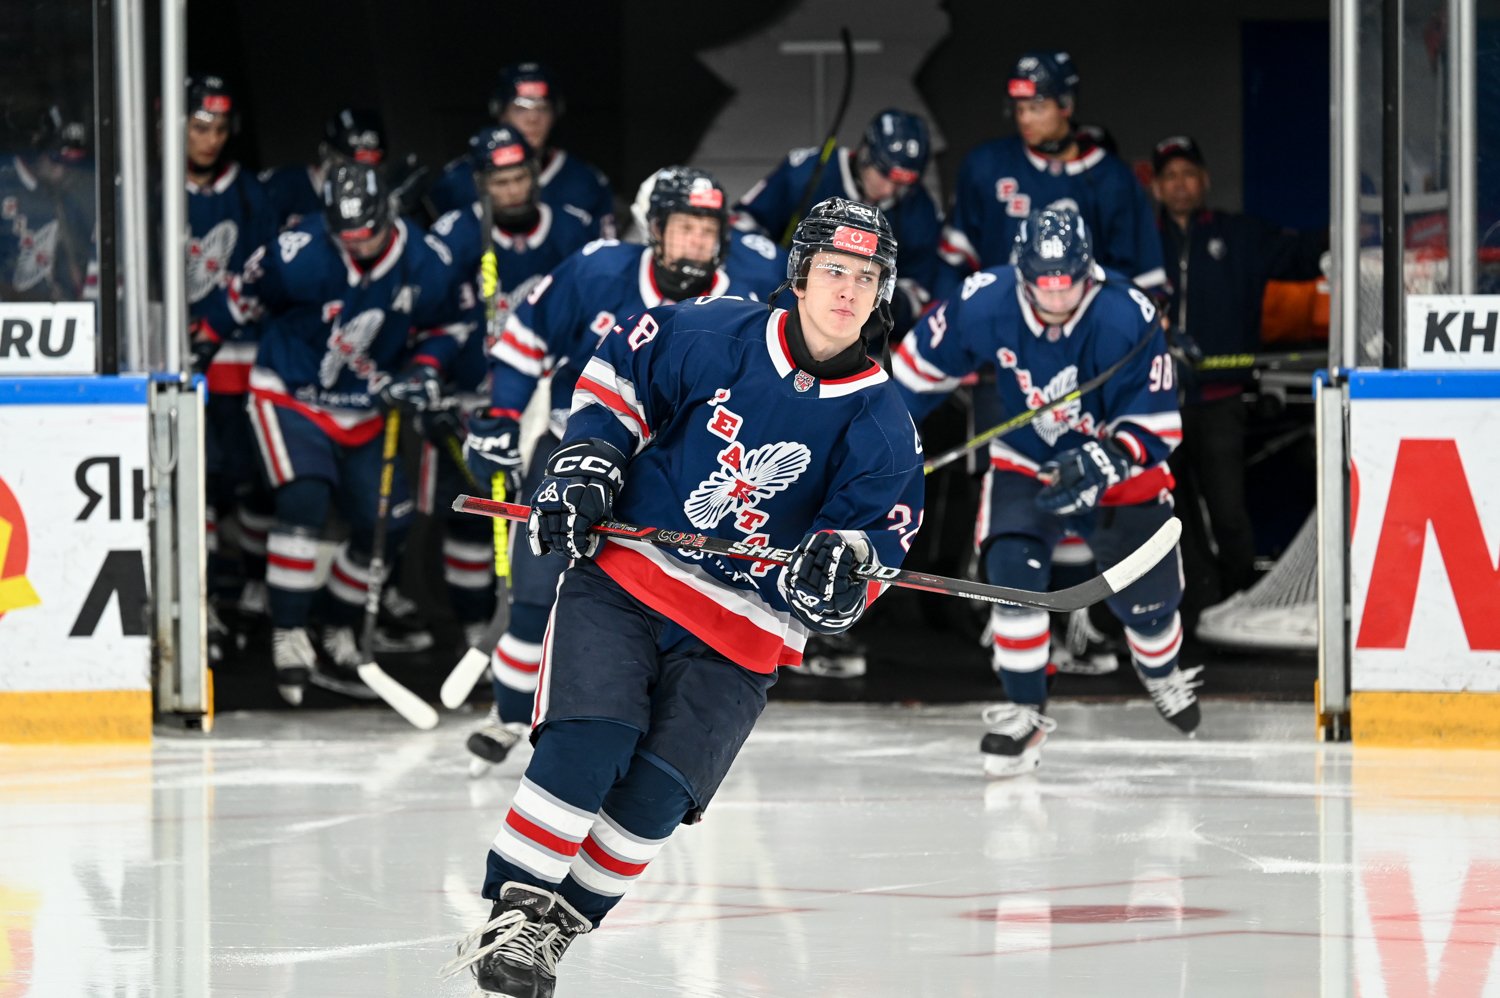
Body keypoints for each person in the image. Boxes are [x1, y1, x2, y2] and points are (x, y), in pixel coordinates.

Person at [443, 196, 924, 998]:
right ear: (800, 274)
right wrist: (589, 459)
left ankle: (557, 929)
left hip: (742, 630)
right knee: (590, 739)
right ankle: (515, 912)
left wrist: (841, 569)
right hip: (629, 579)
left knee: (657, 796)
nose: (848, 289)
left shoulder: (885, 425)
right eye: (833, 269)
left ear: (882, 293)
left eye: (866, 277)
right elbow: (615, 381)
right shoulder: (711, 330)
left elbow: (876, 540)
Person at [460, 165, 781, 774]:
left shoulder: (753, 288)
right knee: (536, 591)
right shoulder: (597, 270)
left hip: (680, 469)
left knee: (671, 602)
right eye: (684, 228)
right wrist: (500, 415)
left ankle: (662, 730)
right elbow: (525, 341)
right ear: (654, 229)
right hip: (579, 449)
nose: (696, 243)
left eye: (707, 230)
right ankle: (509, 715)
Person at [892, 207, 1199, 778]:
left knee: (1149, 608)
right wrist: (883, 438)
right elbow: (913, 371)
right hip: (1027, 460)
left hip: (1117, 467)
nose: (1057, 299)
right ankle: (1025, 711)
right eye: (1044, 285)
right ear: (1021, 274)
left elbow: (1158, 422)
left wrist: (1108, 457)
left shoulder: (1126, 313)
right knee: (1010, 575)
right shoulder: (985, 300)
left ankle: (1161, 670)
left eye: (1068, 285)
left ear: (1089, 272)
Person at [199, 162, 467, 704]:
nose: (358, 245)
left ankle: (336, 624)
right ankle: (288, 631)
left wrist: (421, 371)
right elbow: (242, 293)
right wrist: (202, 343)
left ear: (388, 215)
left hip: (366, 405)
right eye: (346, 236)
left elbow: (450, 326)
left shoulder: (427, 260)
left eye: (367, 234)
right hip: (290, 393)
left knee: (386, 524)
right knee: (304, 496)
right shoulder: (298, 252)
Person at [420, 124, 592, 672]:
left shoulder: (574, 230)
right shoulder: (454, 235)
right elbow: (427, 314)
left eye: (520, 178)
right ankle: (478, 627)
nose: (513, 190)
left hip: (551, 400)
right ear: (481, 184)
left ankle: (536, 626)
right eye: (501, 182)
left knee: (544, 512)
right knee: (474, 513)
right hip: (475, 396)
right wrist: (427, 369)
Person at [1151, 135, 1325, 607]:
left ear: (1205, 181)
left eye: (1189, 174)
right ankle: (1196, 603)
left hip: (1219, 400)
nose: (1180, 184)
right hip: (1155, 403)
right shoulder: (1140, 242)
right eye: (1170, 176)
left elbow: (1299, 255)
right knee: (1167, 514)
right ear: (1156, 187)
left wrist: (1354, 233)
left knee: (1228, 512)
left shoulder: (1238, 234)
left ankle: (1242, 600)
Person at [937, 52, 1164, 302]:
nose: (1024, 118)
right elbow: (953, 262)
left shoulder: (1112, 178)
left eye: (1037, 107)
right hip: (999, 317)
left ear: (1066, 105)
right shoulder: (985, 166)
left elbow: (1143, 279)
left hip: (1085, 321)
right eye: (1019, 108)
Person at [180, 75, 279, 652]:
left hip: (241, 364)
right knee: (201, 485)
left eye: (219, 129)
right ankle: (206, 601)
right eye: (200, 127)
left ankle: (250, 593)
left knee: (251, 483)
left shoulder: (250, 194)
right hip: (177, 361)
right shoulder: (151, 188)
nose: (210, 139)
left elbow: (266, 275)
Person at [734, 107, 942, 335]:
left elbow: (918, 288)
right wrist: (774, 271)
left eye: (902, 184)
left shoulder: (920, 208)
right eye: (883, 175)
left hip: (860, 333)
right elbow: (741, 227)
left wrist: (883, 306)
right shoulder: (809, 171)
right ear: (865, 154)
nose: (888, 190)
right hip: (781, 306)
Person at [427, 62, 615, 238]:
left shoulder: (586, 182)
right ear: (500, 112)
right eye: (520, 109)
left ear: (555, 114)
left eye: (543, 108)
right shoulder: (456, 181)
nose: (533, 119)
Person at [0, 104, 96, 301]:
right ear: (35, 149)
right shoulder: (5, 185)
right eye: (56, 159)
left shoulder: (69, 194)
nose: (63, 170)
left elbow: (76, 265)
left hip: (57, 312)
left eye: (69, 161)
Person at [259, 107, 388, 230]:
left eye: (370, 167)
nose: (358, 174)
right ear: (326, 154)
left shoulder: (374, 202)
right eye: (348, 164)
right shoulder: (282, 186)